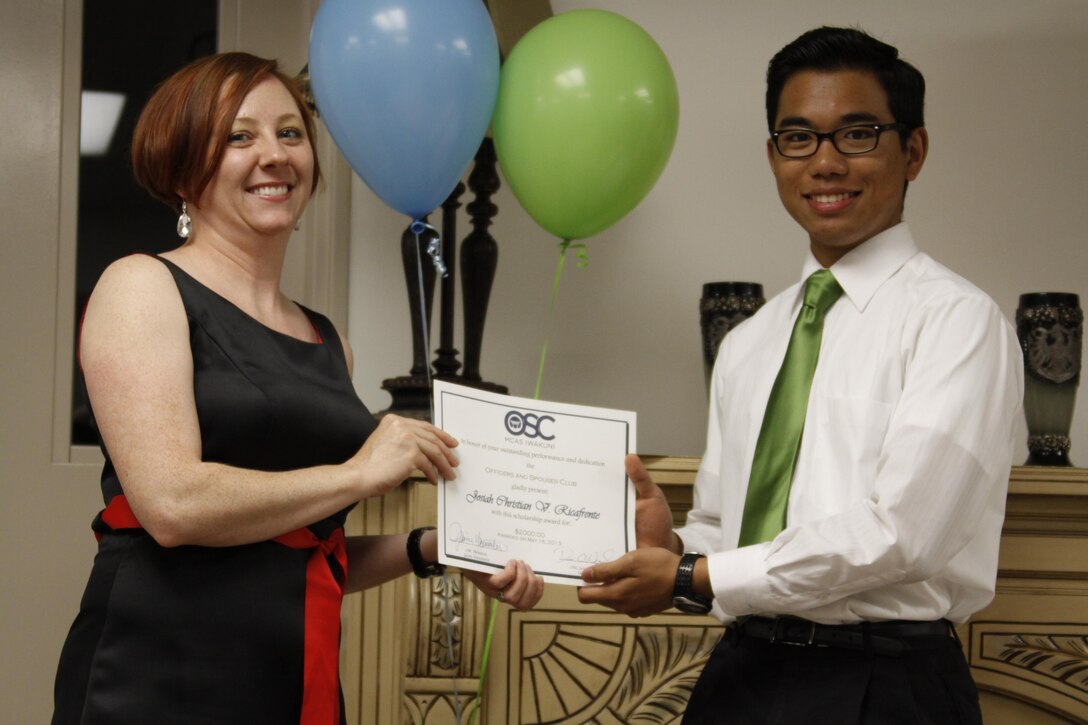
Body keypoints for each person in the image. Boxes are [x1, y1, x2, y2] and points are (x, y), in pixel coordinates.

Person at [52, 52, 543, 725]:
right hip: (159, 671)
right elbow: (172, 503)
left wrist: (438, 546)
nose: (275, 155)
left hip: (287, 672)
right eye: (239, 136)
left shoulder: (324, 337)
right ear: (183, 164)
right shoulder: (141, 286)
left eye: (290, 133)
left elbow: (305, 544)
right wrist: (358, 473)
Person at [579, 26, 1023, 724]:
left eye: (856, 134)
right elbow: (729, 531)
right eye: (799, 137)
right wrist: (675, 548)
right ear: (773, 155)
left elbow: (904, 534)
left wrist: (694, 574)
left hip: (889, 683)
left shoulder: (959, 322)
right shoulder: (750, 341)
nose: (824, 162)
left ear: (913, 151)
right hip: (741, 674)